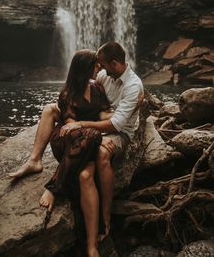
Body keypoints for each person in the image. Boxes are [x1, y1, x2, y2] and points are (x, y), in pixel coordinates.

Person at [9, 42, 144, 249]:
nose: (100, 69)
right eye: (96, 65)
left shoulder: (130, 85)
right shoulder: (100, 78)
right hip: (87, 132)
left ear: (114, 63)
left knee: (93, 163)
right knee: (49, 110)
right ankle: (34, 160)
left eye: (101, 65)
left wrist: (94, 126)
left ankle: (104, 220)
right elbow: (76, 112)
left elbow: (113, 121)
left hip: (118, 130)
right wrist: (83, 127)